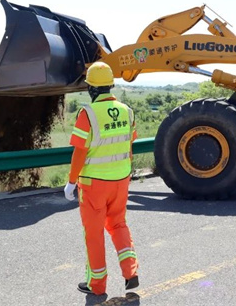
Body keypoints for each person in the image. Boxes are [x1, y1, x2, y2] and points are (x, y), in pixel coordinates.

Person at [64, 61, 139, 296]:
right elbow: (129, 146)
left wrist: (71, 181)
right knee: (118, 224)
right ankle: (131, 272)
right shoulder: (127, 111)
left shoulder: (87, 113)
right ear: (110, 86)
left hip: (93, 184)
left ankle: (96, 285)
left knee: (94, 233)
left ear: (92, 89)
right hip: (121, 180)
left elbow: (80, 151)